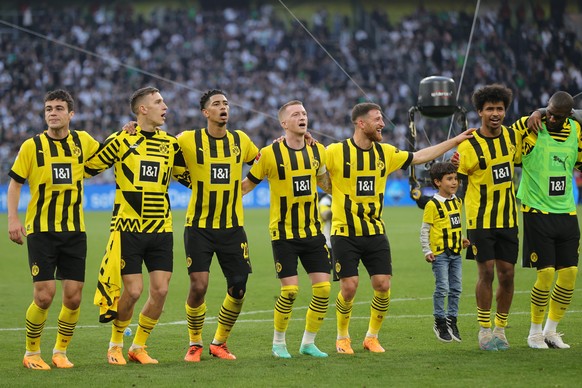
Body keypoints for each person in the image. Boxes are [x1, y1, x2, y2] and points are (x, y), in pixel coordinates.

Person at [325, 102, 474, 354]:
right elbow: (310, 160)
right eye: (377, 119)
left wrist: (456, 140)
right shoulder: (335, 152)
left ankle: (371, 337)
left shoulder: (385, 153)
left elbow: (419, 156)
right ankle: (342, 337)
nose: (382, 123)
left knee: (383, 285)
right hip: (344, 232)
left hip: (375, 231)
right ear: (361, 123)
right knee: (349, 287)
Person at [86, 86, 190, 365]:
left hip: (161, 228)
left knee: (161, 290)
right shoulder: (121, 140)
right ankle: (115, 345)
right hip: (128, 227)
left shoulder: (171, 144)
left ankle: (138, 347)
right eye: (158, 102)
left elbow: (189, 177)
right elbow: (89, 166)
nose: (165, 106)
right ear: (142, 109)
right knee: (132, 291)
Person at [7, 89, 101, 369]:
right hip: (41, 231)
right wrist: (13, 218)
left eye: (59, 108)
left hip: (75, 231)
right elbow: (15, 184)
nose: (53, 113)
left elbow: (107, 155)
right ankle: (31, 353)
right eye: (49, 108)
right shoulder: (31, 146)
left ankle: (60, 352)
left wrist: (126, 132)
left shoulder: (82, 141)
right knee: (45, 295)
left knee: (73, 297)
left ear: (71, 114)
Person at [241, 100, 331, 358]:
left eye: (304, 112)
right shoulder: (269, 154)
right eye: (295, 114)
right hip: (283, 234)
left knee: (323, 289)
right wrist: (219, 196)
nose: (302, 116)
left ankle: (308, 343)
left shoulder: (318, 151)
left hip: (312, 231)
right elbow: (247, 185)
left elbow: (325, 182)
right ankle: (279, 343)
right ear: (284, 123)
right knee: (290, 291)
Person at [179, 89, 258, 362]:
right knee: (198, 286)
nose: (223, 107)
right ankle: (194, 343)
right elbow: (165, 155)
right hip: (199, 227)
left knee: (238, 287)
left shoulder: (241, 140)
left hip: (233, 227)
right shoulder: (188, 140)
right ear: (206, 112)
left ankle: (219, 343)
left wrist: (246, 186)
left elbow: (263, 162)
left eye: (226, 102)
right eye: (217, 104)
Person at [457, 84, 522, 351]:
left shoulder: (512, 137)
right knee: (486, 272)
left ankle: (500, 329)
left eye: (499, 108)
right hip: (479, 220)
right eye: (489, 109)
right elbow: (455, 186)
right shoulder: (468, 145)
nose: (495, 113)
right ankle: (484, 330)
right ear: (480, 112)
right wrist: (456, 225)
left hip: (508, 218)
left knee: (507, 274)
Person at [514, 91, 581, 349]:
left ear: (568, 116)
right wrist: (537, 112)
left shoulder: (575, 131)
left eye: (557, 115)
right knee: (545, 274)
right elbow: (510, 135)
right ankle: (534, 333)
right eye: (548, 112)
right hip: (536, 211)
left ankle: (551, 331)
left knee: (569, 274)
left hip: (566, 211)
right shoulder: (532, 127)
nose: (551, 118)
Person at [420, 162, 470, 343]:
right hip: (440, 254)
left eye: (455, 178)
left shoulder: (457, 201)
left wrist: (462, 238)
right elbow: (425, 229)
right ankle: (440, 322)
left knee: (456, 288)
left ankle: (452, 320)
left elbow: (453, 224)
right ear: (437, 182)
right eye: (449, 179)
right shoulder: (432, 205)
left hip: (456, 252)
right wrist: (427, 250)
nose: (454, 182)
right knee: (443, 288)